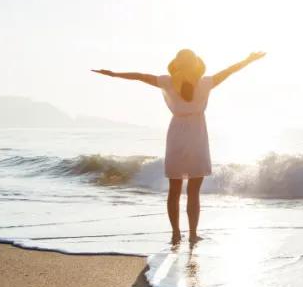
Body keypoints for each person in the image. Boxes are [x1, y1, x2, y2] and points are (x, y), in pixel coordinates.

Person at [93, 49, 266, 245]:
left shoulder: (167, 82)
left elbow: (140, 77)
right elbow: (229, 71)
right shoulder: (205, 83)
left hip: (176, 135)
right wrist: (249, 59)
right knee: (194, 191)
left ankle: (175, 234)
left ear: (177, 63)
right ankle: (192, 234)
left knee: (174, 189)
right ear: (196, 64)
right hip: (197, 135)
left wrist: (115, 74)